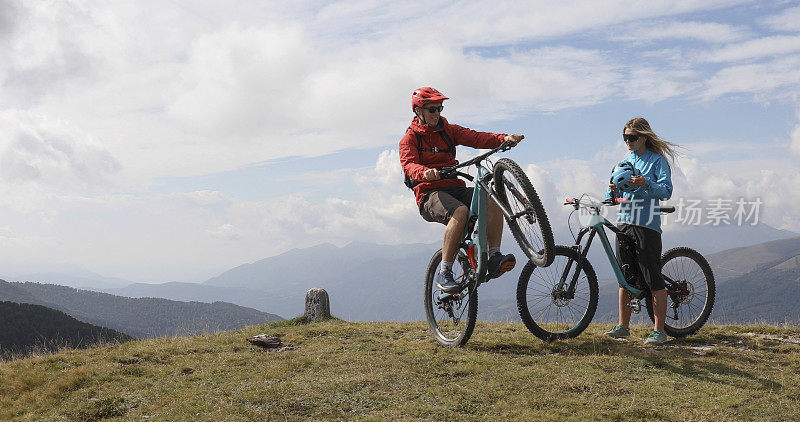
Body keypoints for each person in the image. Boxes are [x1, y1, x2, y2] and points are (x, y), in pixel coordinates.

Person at [399, 87, 523, 292]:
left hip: (454, 188)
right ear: (418, 111)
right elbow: (409, 165)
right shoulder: (410, 139)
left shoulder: (448, 130)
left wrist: (503, 138)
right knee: (461, 212)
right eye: (431, 109)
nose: (437, 113)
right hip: (429, 194)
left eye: (439, 108)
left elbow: (476, 138)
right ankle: (445, 271)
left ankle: (494, 256)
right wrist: (424, 173)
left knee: (492, 199)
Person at [604, 117, 679, 345]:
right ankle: (623, 327)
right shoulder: (622, 163)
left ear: (644, 137)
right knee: (624, 276)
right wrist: (611, 193)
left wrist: (645, 183)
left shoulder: (657, 162)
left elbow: (666, 191)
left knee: (652, 278)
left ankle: (659, 331)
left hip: (646, 225)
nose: (628, 141)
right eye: (625, 137)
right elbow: (613, 199)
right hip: (624, 223)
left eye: (632, 137)